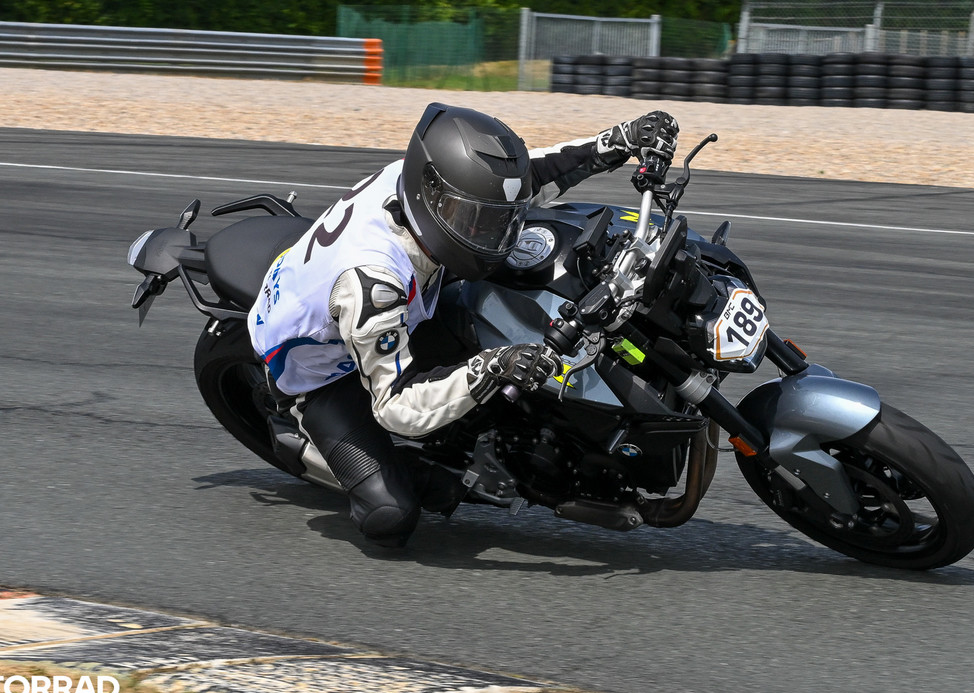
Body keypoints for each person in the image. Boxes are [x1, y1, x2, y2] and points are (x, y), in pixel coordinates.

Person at [249, 103, 679, 548]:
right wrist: (492, 367)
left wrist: (617, 141)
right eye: (474, 221)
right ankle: (310, 446)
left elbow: (520, 181)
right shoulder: (373, 285)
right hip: (322, 374)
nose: (491, 232)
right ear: (430, 199)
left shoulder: (428, 179)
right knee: (392, 514)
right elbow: (396, 406)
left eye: (491, 220)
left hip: (399, 301)